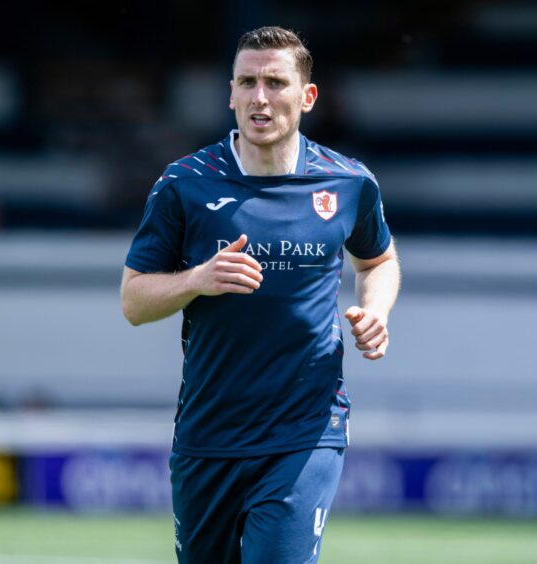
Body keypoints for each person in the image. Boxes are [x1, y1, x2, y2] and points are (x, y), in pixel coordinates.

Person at [121, 26, 400, 563]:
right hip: (209, 434)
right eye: (247, 82)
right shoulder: (185, 184)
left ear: (307, 96)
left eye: (275, 82)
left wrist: (377, 309)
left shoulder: (348, 183)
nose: (260, 97)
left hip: (306, 429)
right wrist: (196, 279)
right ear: (230, 93)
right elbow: (133, 301)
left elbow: (379, 259)